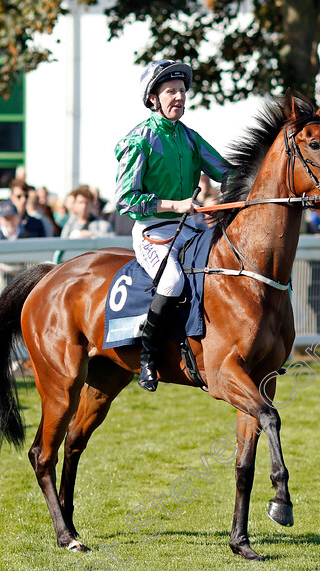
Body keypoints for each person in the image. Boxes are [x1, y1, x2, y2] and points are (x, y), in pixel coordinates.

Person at [114, 59, 228, 392]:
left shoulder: (191, 138)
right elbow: (125, 200)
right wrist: (175, 205)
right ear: (154, 98)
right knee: (174, 280)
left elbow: (228, 172)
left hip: (192, 228)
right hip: (153, 230)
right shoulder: (139, 140)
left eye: (181, 91)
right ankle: (148, 357)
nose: (178, 97)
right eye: (170, 92)